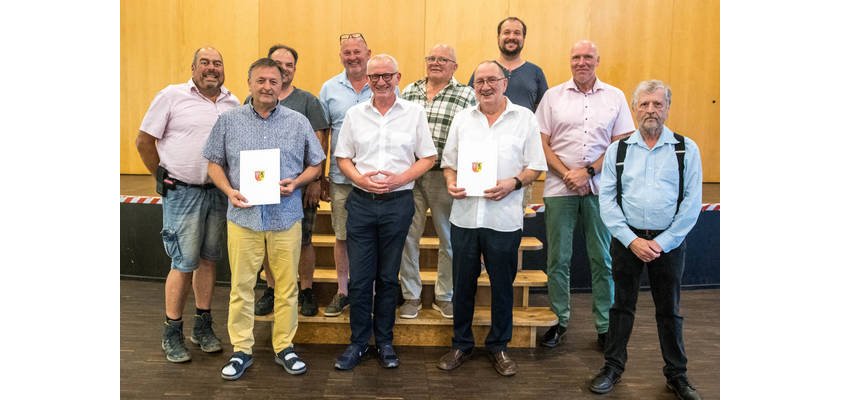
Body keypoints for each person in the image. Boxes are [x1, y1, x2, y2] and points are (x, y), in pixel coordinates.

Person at [203, 58, 326, 380]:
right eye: (261, 81)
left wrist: (297, 182)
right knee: (241, 288)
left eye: (273, 81)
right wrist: (229, 190)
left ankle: (284, 346)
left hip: (285, 217)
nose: (267, 87)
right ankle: (241, 350)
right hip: (243, 217)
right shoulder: (229, 121)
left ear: (282, 84)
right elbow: (213, 162)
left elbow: (316, 163)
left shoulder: (298, 121)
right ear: (250, 83)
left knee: (287, 288)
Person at [588, 80, 702, 400]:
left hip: (669, 245)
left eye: (657, 104)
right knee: (621, 307)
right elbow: (607, 201)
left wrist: (663, 242)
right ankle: (612, 367)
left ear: (667, 107)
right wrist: (631, 240)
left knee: (670, 310)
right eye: (644, 104)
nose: (651, 110)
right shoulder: (618, 150)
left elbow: (691, 203)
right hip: (627, 242)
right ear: (635, 108)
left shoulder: (685, 149)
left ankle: (677, 375)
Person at [436, 61, 547, 377]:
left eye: (491, 80)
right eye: (479, 81)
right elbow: (449, 164)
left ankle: (499, 346)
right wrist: (449, 181)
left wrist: (512, 183)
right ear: (474, 86)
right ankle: (461, 343)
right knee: (463, 285)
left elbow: (535, 166)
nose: (485, 86)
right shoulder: (462, 119)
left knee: (501, 285)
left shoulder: (524, 119)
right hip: (466, 217)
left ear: (504, 83)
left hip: (504, 219)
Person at [332, 54, 437, 371]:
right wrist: (359, 179)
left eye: (386, 76)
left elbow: (428, 157)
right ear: (366, 78)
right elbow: (343, 158)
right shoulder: (354, 114)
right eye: (374, 76)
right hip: (362, 203)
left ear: (398, 76)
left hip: (398, 204)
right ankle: (359, 343)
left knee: (389, 278)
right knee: (361, 280)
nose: (380, 81)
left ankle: (386, 342)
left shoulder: (414, 113)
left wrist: (401, 178)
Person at [136, 47, 240, 363]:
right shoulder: (171, 95)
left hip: (217, 193)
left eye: (217, 63)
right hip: (182, 194)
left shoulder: (233, 103)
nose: (212, 68)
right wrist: (161, 175)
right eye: (205, 63)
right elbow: (144, 141)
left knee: (208, 260)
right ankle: (172, 331)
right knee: (183, 263)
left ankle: (203, 326)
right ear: (193, 67)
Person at [536, 40, 635, 350]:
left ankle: (605, 326)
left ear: (597, 60)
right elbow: (541, 142)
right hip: (558, 187)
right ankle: (558, 321)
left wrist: (588, 172)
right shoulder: (553, 97)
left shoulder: (615, 97)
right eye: (576, 57)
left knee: (602, 260)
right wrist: (568, 173)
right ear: (570, 61)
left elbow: (622, 144)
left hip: (600, 190)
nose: (581, 62)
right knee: (558, 260)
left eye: (587, 57)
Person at [246, 44, 330, 318]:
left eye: (288, 65)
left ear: (294, 69)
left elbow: (320, 144)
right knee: (269, 241)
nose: (282, 69)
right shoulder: (251, 101)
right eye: (276, 64)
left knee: (304, 241)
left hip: (299, 189)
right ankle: (271, 289)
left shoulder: (308, 102)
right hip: (260, 187)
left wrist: (316, 181)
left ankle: (305, 289)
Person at [397, 44, 476, 319]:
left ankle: (445, 295)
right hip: (411, 176)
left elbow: (474, 134)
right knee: (408, 237)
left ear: (455, 66)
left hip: (446, 175)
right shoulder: (408, 91)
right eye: (431, 58)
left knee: (449, 239)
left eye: (443, 59)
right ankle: (411, 296)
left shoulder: (467, 94)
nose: (436, 63)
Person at [318, 33, 373, 317]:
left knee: (374, 237)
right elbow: (323, 136)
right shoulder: (329, 89)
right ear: (341, 56)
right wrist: (321, 176)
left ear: (368, 53)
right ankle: (343, 292)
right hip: (341, 179)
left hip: (377, 180)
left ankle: (370, 292)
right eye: (347, 53)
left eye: (357, 52)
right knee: (342, 236)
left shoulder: (384, 84)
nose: (352, 57)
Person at [469, 17, 548, 209]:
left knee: (514, 218)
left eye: (517, 33)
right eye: (506, 32)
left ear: (523, 38)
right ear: (498, 37)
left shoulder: (535, 72)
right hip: (480, 163)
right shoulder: (483, 71)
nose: (511, 37)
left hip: (519, 164)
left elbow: (543, 114)